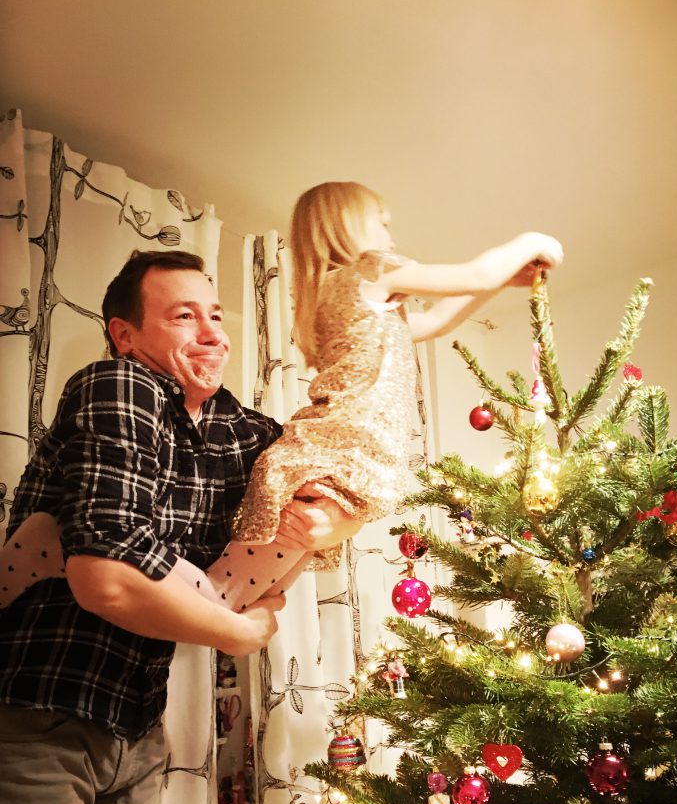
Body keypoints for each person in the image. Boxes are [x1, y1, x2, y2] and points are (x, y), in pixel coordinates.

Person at [0, 248, 361, 804]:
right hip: (45, 710)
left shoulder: (241, 432)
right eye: (182, 316)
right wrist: (239, 631)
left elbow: (339, 467)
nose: (211, 332)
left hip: (137, 727)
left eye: (215, 315)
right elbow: (104, 581)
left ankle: (58, 547)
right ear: (125, 334)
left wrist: (331, 521)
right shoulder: (118, 383)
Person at [1, 182, 564, 613]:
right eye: (383, 224)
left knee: (257, 585)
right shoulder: (370, 270)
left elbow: (436, 320)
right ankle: (51, 548)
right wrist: (529, 245)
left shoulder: (355, 304)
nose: (391, 237)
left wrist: (503, 282)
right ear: (349, 227)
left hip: (338, 451)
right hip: (342, 451)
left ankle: (57, 550)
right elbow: (471, 274)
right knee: (223, 597)